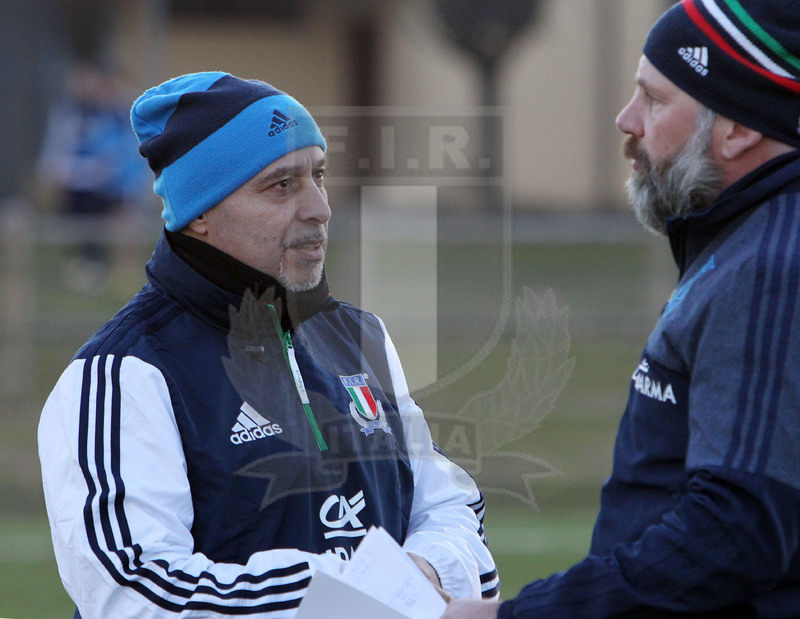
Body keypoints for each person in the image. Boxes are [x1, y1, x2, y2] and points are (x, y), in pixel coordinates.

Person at [38, 71, 499, 617]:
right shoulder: (124, 373)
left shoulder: (361, 336)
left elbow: (454, 510)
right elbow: (136, 594)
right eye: (282, 184)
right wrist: (356, 594)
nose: (319, 208)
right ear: (200, 212)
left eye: (318, 175)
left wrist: (421, 575)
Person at [443, 0, 800, 617]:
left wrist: (518, 616)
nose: (626, 120)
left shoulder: (770, 266)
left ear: (738, 129)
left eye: (655, 99)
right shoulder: (747, 244)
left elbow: (733, 533)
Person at [36, 63, 151, 292]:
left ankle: (116, 275)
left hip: (116, 191)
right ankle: (86, 267)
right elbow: (59, 160)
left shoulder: (125, 118)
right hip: (84, 190)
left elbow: (130, 162)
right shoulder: (73, 116)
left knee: (120, 223)